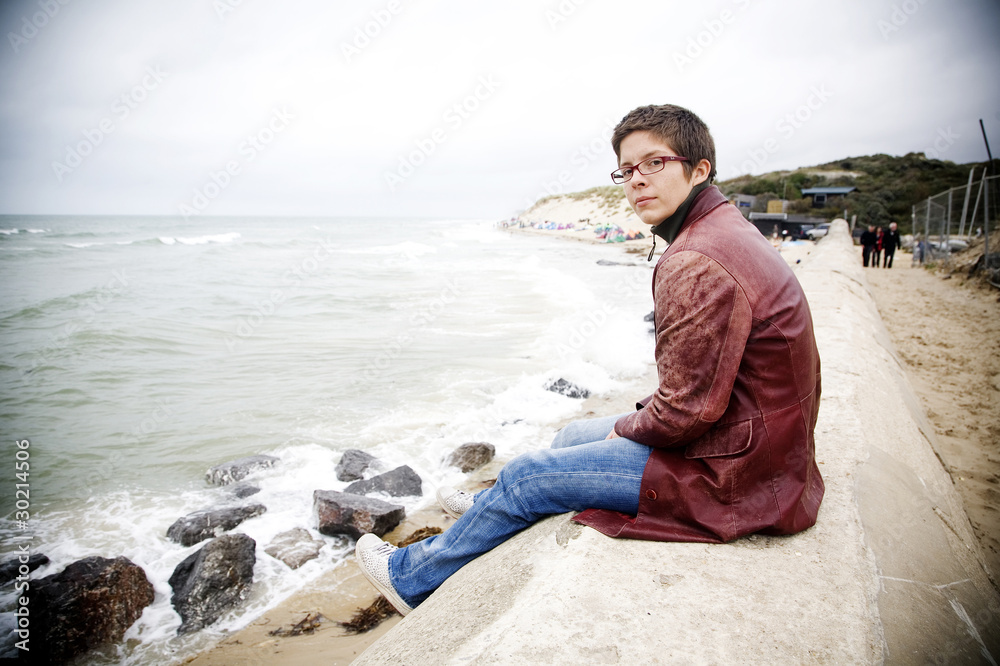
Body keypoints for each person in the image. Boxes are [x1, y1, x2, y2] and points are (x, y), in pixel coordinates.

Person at [355, 104, 825, 615]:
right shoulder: (721, 228)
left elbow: (686, 413)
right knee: (566, 439)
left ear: (699, 169)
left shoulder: (695, 260)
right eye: (627, 170)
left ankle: (411, 579)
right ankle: (489, 515)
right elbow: (702, 383)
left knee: (531, 475)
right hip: (760, 445)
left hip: (735, 473)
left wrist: (626, 428)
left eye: (654, 163)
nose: (636, 181)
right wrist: (630, 424)